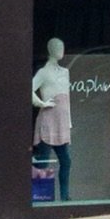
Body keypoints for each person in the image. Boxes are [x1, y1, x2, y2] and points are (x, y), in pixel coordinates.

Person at [31, 37, 71, 200]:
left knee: (66, 161)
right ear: (50, 49)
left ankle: (65, 196)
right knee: (43, 161)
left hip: (62, 123)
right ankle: (33, 195)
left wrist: (69, 122)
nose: (60, 49)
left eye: (62, 46)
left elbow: (67, 98)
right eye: (57, 46)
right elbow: (29, 89)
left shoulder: (65, 72)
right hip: (48, 121)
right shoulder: (43, 72)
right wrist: (41, 103)